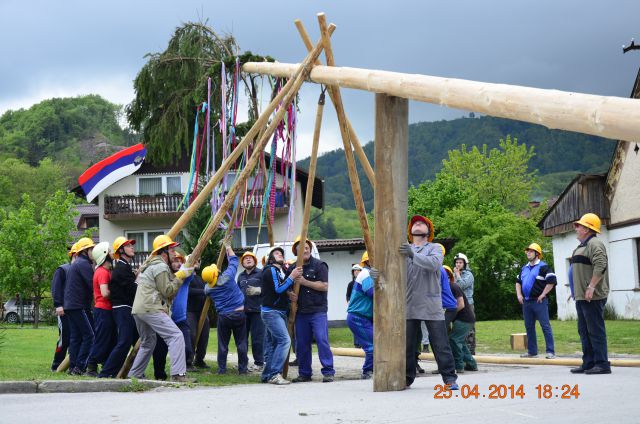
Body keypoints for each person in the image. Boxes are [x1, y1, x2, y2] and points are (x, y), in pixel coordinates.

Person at [401, 215, 458, 390]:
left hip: (431, 303)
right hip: (409, 303)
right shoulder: (404, 249)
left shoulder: (435, 248)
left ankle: (449, 379)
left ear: (428, 231)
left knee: (440, 343)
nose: (417, 224)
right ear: (410, 231)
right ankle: (406, 378)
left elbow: (434, 265)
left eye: (421, 223)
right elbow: (391, 270)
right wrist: (377, 274)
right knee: (408, 346)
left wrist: (412, 254)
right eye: (415, 223)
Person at [128, 235, 194, 382]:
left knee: (148, 342)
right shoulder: (160, 266)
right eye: (171, 250)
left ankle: (134, 376)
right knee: (176, 336)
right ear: (163, 251)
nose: (174, 252)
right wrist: (181, 276)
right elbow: (167, 291)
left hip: (139, 310)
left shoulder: (150, 266)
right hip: (152, 308)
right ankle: (178, 375)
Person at [569, 213, 611, 375]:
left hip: (593, 296)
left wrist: (591, 287)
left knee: (595, 330)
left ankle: (602, 364)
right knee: (584, 330)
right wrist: (575, 290)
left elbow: (601, 265)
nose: (576, 228)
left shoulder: (595, 244)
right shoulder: (581, 247)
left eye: (578, 225)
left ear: (587, 229)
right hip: (581, 296)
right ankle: (589, 362)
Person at [290, 236, 335, 383]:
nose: (306, 250)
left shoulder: (320, 265)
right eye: (302, 249)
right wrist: (290, 294)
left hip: (317, 311)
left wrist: (304, 282)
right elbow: (286, 286)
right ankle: (304, 373)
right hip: (301, 312)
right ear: (296, 253)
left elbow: (324, 286)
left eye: (307, 248)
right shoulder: (292, 268)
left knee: (322, 340)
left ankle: (328, 372)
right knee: (301, 344)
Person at [203, 244, 248, 375]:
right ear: (217, 274)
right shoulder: (227, 277)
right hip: (239, 313)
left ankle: (221, 370)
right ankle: (243, 370)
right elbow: (234, 260)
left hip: (224, 316)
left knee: (223, 344)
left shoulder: (208, 289)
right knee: (241, 343)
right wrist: (228, 247)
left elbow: (206, 288)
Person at [260, 245, 301, 385]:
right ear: (270, 258)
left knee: (273, 344)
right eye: (276, 253)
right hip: (272, 312)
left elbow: (279, 289)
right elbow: (278, 289)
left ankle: (267, 375)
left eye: (281, 253)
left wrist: (289, 294)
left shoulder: (279, 271)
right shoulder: (271, 269)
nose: (280, 254)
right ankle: (275, 374)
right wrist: (292, 277)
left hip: (276, 311)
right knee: (284, 341)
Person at [99, 237, 138, 378]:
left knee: (138, 341)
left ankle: (132, 372)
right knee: (124, 342)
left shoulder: (125, 267)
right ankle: (106, 373)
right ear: (121, 250)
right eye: (128, 246)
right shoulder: (121, 268)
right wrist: (139, 280)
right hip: (122, 308)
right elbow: (133, 289)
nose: (132, 247)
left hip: (126, 308)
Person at [515, 243, 557, 359]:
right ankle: (532, 352)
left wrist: (543, 294)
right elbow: (518, 282)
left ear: (537, 254)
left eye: (531, 251)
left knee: (545, 326)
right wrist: (519, 294)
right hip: (527, 302)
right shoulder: (524, 268)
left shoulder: (544, 267)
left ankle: (550, 352)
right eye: (527, 251)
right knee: (529, 327)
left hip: (539, 301)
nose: (528, 253)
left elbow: (552, 281)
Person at [64, 237, 96, 375]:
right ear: (85, 251)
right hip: (79, 306)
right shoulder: (83, 264)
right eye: (92, 249)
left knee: (76, 337)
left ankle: (73, 367)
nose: (94, 252)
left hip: (71, 305)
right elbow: (92, 284)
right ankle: (80, 366)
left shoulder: (77, 263)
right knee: (89, 336)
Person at [85, 242, 117, 377]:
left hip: (105, 310)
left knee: (109, 339)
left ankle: (105, 364)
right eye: (109, 251)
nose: (112, 252)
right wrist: (117, 293)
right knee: (102, 339)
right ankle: (91, 366)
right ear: (104, 255)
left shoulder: (104, 270)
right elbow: (105, 293)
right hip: (103, 310)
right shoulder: (103, 272)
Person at [346, 252, 374, 379]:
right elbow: (372, 293)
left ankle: (370, 370)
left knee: (374, 344)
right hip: (358, 317)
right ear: (369, 261)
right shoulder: (366, 273)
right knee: (373, 345)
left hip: (364, 317)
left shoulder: (371, 273)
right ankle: (367, 371)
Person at [50, 242, 77, 371]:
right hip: (64, 311)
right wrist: (58, 305)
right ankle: (56, 365)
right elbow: (56, 289)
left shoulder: (81, 270)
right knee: (64, 338)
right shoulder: (63, 269)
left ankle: (72, 365)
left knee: (75, 338)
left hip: (76, 311)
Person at [236, 251, 265, 371]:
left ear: (255, 261)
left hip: (257, 311)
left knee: (257, 338)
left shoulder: (261, 273)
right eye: (245, 258)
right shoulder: (240, 276)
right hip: (243, 311)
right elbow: (237, 292)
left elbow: (269, 289)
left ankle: (259, 363)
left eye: (250, 258)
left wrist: (259, 290)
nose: (248, 260)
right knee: (242, 339)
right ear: (242, 262)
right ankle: (243, 363)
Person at [448, 272, 478, 373]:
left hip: (464, 319)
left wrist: (448, 315)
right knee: (460, 342)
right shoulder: (447, 288)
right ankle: (472, 364)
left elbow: (461, 305)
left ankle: (459, 366)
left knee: (454, 340)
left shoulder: (453, 287)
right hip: (463, 319)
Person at [187, 259, 210, 369]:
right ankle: (188, 361)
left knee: (204, 336)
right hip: (190, 311)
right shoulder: (186, 277)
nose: (197, 262)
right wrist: (204, 291)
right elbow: (189, 291)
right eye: (195, 260)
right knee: (191, 335)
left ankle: (199, 359)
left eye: (199, 261)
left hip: (202, 311)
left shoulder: (201, 279)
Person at [453, 252, 476, 355]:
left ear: (465, 264)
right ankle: (460, 351)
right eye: (457, 262)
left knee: (469, 329)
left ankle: (471, 352)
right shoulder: (453, 275)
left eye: (460, 262)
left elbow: (461, 286)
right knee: (458, 327)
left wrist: (457, 276)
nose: (458, 264)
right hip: (457, 304)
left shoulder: (469, 275)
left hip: (468, 305)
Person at [346, 264, 362, 348]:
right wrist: (349, 302)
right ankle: (357, 344)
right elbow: (348, 295)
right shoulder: (350, 284)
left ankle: (363, 343)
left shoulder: (363, 282)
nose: (356, 272)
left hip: (362, 307)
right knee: (355, 325)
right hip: (353, 308)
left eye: (358, 270)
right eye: (354, 270)